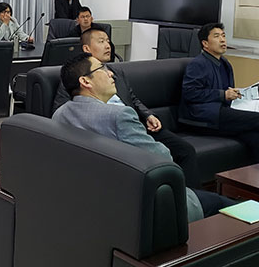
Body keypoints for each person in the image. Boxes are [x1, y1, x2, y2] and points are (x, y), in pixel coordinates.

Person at [52, 53, 234, 222]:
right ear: (85, 81)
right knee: (225, 204)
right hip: (139, 201)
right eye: (102, 69)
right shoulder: (119, 115)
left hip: (93, 199)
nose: (111, 74)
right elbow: (163, 158)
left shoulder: (60, 114)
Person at [53, 27, 200, 188]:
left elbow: (132, 98)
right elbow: (64, 112)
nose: (108, 46)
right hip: (110, 129)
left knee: (185, 150)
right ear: (87, 48)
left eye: (108, 41)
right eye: (101, 42)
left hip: (135, 123)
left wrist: (148, 115)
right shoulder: (73, 78)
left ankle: (187, 193)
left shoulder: (116, 72)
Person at [179, 23, 259, 164]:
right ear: (205, 43)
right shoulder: (197, 64)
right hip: (201, 117)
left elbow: (226, 91)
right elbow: (190, 93)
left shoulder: (225, 64)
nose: (222, 40)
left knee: (257, 138)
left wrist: (236, 94)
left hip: (221, 112)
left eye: (223, 36)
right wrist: (223, 95)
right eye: (216, 36)